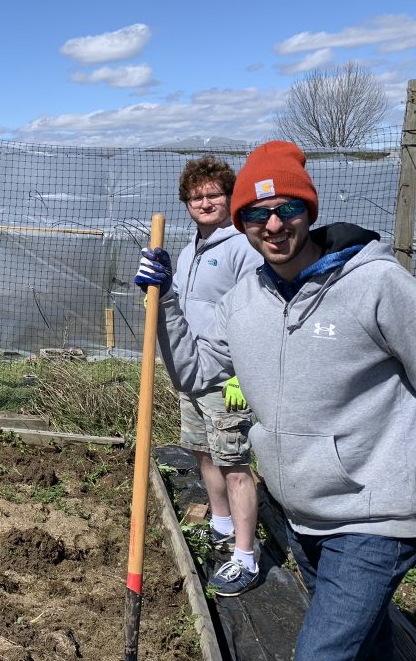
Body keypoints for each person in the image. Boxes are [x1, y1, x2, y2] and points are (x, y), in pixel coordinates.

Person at [135, 140, 416, 660]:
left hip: (375, 518)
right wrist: (165, 306)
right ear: (242, 220)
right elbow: (197, 371)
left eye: (287, 209)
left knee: (322, 654)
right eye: (257, 213)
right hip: (301, 513)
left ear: (309, 209)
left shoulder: (377, 285)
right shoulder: (245, 300)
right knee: (366, 644)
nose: (273, 225)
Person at [137, 156, 264, 596]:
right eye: (196, 196)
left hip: (227, 379)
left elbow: (262, 317)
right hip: (191, 374)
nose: (205, 201)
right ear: (186, 204)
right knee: (203, 454)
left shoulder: (244, 248)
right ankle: (222, 523)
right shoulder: (191, 250)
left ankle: (246, 556)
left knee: (235, 467)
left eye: (214, 194)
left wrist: (243, 378)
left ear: (231, 198)